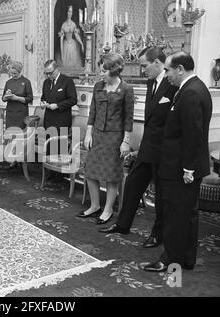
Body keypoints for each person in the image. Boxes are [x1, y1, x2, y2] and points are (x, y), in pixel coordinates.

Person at [99, 47, 178, 249]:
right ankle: (122, 224)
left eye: (144, 66)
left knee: (160, 195)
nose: (143, 70)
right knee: (133, 184)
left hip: (162, 150)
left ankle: (157, 234)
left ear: (157, 63)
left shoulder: (173, 84)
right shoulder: (152, 82)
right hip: (147, 147)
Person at [143, 52, 212, 272]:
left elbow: (193, 135)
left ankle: (170, 259)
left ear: (180, 69)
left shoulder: (191, 93)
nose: (167, 74)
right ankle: (186, 259)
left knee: (176, 214)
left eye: (169, 70)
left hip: (182, 168)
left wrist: (188, 169)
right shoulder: (193, 88)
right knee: (188, 214)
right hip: (183, 165)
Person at [77, 53, 134, 224]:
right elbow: (92, 111)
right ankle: (95, 206)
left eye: (103, 71)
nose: (100, 74)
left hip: (115, 138)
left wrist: (126, 141)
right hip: (97, 135)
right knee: (90, 172)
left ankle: (108, 209)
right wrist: (88, 134)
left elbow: (128, 118)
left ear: (114, 71)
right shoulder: (98, 86)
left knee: (111, 175)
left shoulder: (126, 89)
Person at [40, 60, 77, 179]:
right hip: (49, 119)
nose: (48, 76)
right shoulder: (46, 82)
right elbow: (43, 97)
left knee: (60, 147)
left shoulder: (67, 81)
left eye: (50, 73)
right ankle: (50, 172)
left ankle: (60, 175)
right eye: (46, 73)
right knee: (50, 146)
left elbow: (73, 100)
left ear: (56, 70)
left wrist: (58, 105)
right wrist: (43, 103)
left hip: (62, 119)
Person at [2, 61, 33, 130]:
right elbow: (3, 99)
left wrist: (17, 98)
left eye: (15, 73)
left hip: (21, 114)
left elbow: (30, 99)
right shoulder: (8, 82)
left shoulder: (26, 82)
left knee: (20, 135)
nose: (13, 75)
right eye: (11, 73)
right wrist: (6, 96)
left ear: (19, 71)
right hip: (10, 113)